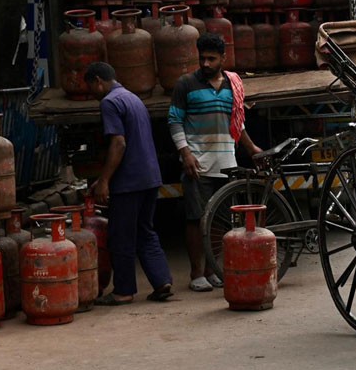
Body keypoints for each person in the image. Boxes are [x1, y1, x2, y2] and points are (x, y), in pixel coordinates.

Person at [168, 32, 262, 292]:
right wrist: (185, 153)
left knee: (219, 221)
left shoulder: (233, 85)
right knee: (196, 219)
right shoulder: (186, 84)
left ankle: (212, 270)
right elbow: (175, 120)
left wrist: (251, 148)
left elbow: (237, 122)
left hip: (226, 164)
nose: (206, 64)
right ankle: (196, 273)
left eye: (211, 58)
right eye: (202, 59)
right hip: (197, 165)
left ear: (223, 58)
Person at [85, 62, 174, 305]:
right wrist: (102, 179)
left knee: (120, 236)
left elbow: (120, 143)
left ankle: (123, 291)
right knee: (145, 231)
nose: (92, 93)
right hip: (149, 177)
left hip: (129, 182)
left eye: (91, 87)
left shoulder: (109, 102)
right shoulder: (133, 98)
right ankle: (162, 280)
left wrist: (105, 181)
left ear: (98, 81)